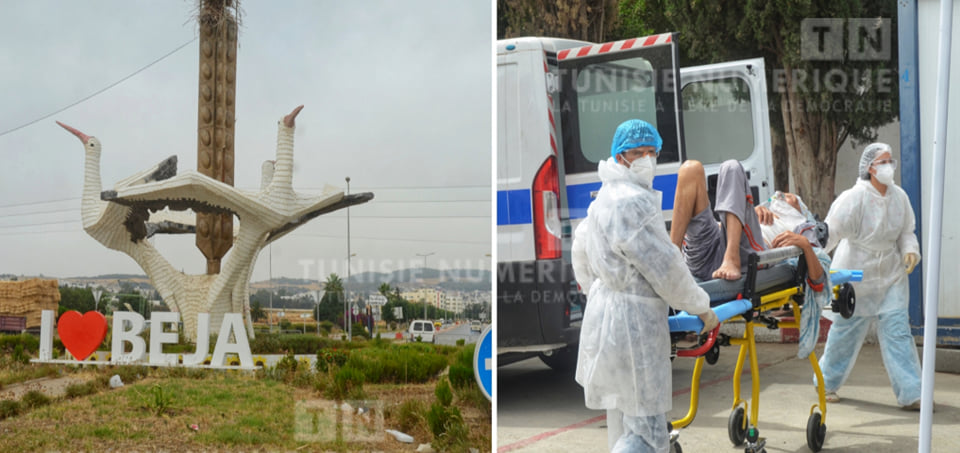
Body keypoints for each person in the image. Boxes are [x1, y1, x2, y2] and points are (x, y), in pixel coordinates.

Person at [572, 119, 719, 453]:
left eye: (652, 152)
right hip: (633, 327)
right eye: (638, 153)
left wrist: (595, 289)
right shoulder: (631, 203)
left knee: (622, 421)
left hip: (606, 320)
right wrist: (701, 307)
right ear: (620, 156)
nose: (647, 160)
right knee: (647, 434)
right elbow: (666, 269)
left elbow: (580, 250)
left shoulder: (603, 199)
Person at [670, 159, 830, 357]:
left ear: (800, 208)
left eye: (788, 197)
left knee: (731, 166)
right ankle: (671, 258)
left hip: (745, 254)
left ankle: (732, 257)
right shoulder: (763, 210)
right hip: (712, 245)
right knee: (690, 169)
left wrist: (804, 244)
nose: (780, 196)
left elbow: (819, 281)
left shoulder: (803, 227)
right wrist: (749, 212)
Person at [817, 142, 923, 410]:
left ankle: (912, 393)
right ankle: (825, 384)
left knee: (898, 332)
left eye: (891, 160)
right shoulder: (853, 198)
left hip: (890, 273)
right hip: (855, 273)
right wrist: (812, 258)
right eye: (883, 161)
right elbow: (831, 232)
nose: (889, 166)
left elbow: (906, 231)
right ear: (870, 167)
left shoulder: (899, 197)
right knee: (845, 332)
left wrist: (910, 250)